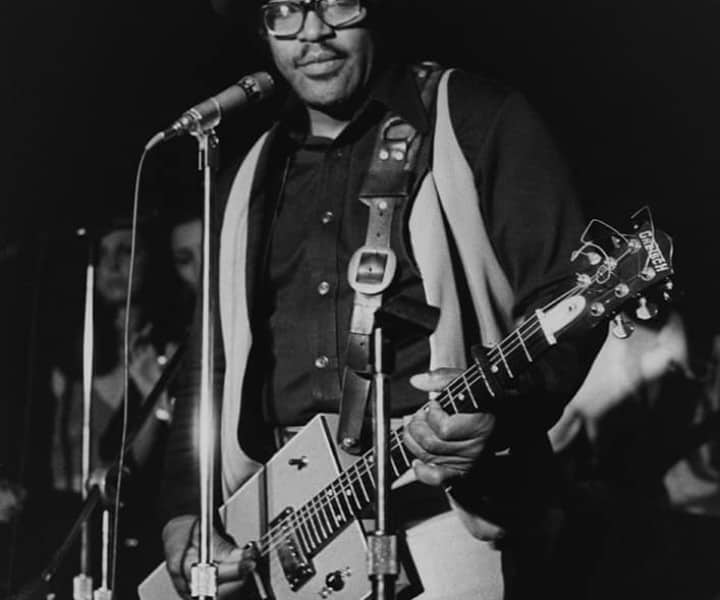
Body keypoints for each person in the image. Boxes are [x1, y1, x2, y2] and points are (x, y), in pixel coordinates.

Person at [157, 1, 602, 598]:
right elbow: (205, 368)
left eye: (336, 2)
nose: (312, 32)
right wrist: (187, 508)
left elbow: (567, 292)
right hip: (280, 528)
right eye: (284, 11)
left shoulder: (475, 116)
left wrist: (500, 413)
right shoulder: (245, 175)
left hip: (446, 506)